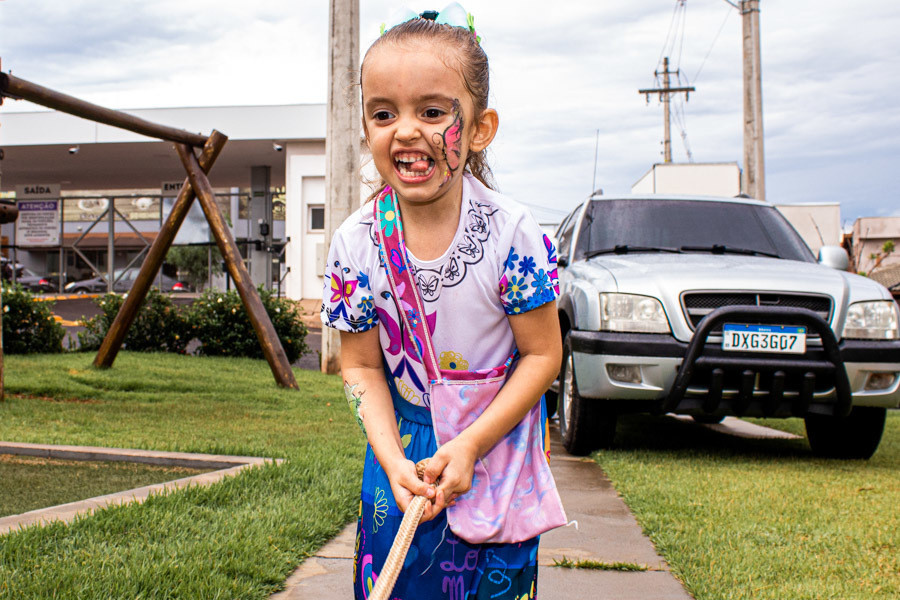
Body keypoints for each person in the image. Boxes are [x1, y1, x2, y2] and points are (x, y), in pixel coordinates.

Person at [321, 5, 564, 598]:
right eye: (383, 113)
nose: (405, 130)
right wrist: (391, 458)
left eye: (432, 111)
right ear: (366, 128)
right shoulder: (356, 243)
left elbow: (542, 356)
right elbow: (359, 364)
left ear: (479, 128)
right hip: (400, 459)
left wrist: (471, 444)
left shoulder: (513, 235)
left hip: (495, 450)